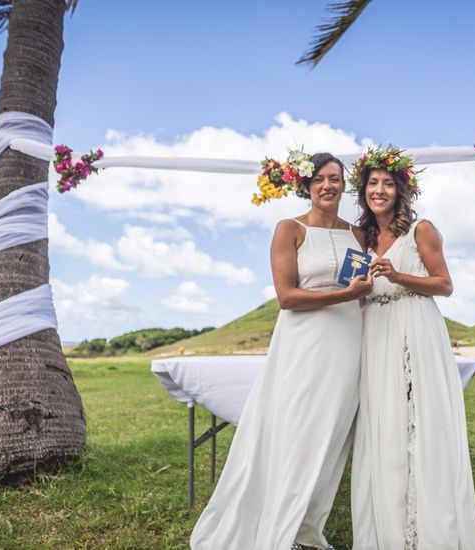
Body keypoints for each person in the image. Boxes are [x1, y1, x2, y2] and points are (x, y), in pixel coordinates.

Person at [190, 153, 372, 549]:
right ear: (307, 186)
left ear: (344, 185)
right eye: (321, 179)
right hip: (304, 344)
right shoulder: (289, 229)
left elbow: (362, 290)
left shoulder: (358, 235)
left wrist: (363, 297)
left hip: (348, 345)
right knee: (296, 432)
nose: (329, 185)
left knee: (331, 435)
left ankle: (307, 529)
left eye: (336, 179)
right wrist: (346, 294)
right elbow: (287, 297)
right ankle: (276, 527)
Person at [349, 147, 475, 549]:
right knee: (385, 422)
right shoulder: (362, 238)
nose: (379, 190)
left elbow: (444, 284)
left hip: (414, 324)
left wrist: (398, 275)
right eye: (373, 183)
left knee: (419, 418)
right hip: (375, 329)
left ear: (400, 189)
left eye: (387, 184)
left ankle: (428, 526)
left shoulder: (421, 230)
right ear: (364, 191)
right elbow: (361, 292)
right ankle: (389, 525)